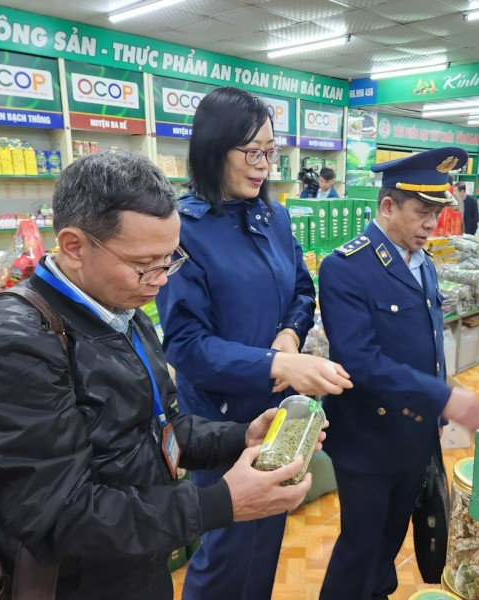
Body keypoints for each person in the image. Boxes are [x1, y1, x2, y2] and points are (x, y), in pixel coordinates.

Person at [0, 151, 316, 600]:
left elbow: (160, 431)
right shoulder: (13, 345)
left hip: (138, 566)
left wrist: (242, 436)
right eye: (144, 263)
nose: (160, 279)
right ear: (74, 246)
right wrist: (221, 502)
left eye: (170, 259)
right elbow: (59, 517)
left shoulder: (121, 310)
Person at [155, 86, 352, 600]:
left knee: (268, 535)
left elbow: (301, 290)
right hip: (221, 419)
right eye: (253, 152)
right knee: (227, 550)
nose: (265, 164)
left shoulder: (275, 217)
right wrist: (276, 363)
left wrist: (289, 337)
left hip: (279, 411)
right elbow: (187, 345)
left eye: (272, 151)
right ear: (213, 149)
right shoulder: (181, 231)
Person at [317, 147, 479, 600]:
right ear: (388, 206)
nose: (431, 223)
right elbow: (360, 359)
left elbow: (425, 350)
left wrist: (435, 405)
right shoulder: (346, 267)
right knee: (361, 548)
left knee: (389, 540)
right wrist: (443, 397)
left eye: (438, 211)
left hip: (414, 433)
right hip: (369, 438)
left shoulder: (425, 263)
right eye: (422, 211)